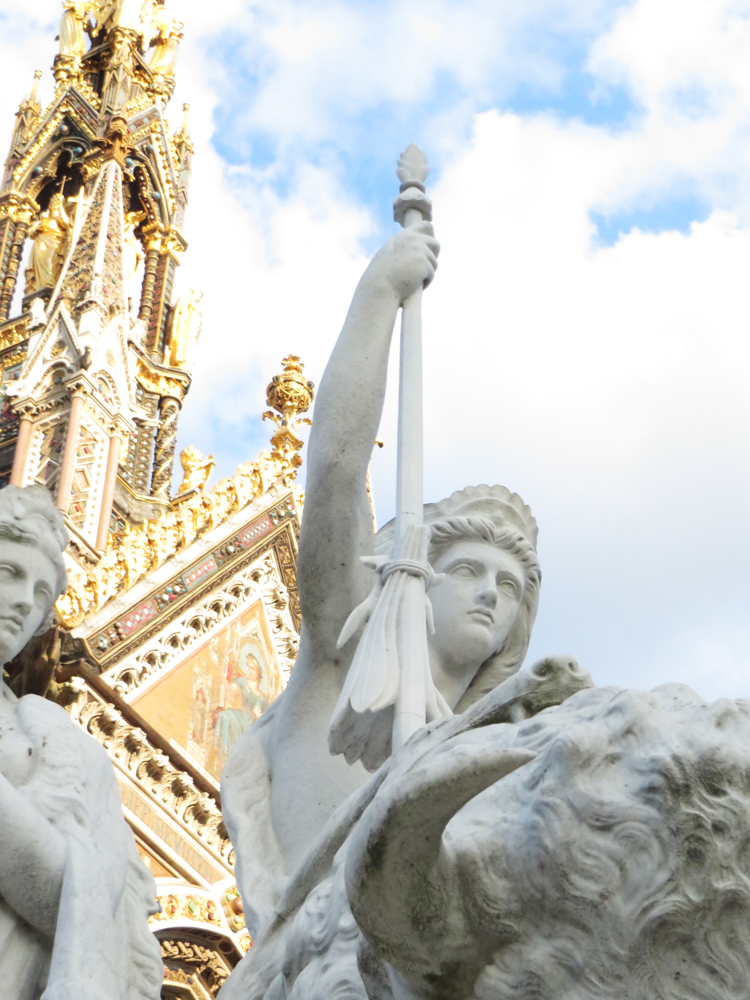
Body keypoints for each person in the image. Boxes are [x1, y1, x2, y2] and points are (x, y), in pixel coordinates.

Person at [222, 223, 541, 930]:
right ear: (414, 580)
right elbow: (337, 471)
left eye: (510, 586)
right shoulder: (343, 669)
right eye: (467, 570)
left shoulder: (486, 768)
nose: (492, 591)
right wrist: (379, 293)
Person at [0, 484, 163, 1000]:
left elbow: (86, 897)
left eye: (44, 594)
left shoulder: (45, 730)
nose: (27, 602)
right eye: (10, 573)